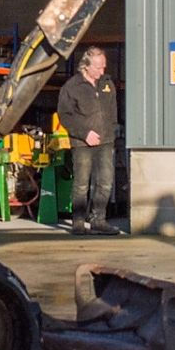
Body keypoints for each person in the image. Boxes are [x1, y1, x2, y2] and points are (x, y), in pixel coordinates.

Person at [56, 46, 120, 235]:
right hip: (82, 142)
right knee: (82, 182)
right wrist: (84, 133)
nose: (102, 71)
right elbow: (64, 115)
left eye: (104, 67)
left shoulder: (107, 83)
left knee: (106, 181)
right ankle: (78, 222)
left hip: (106, 140)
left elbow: (113, 109)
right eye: (98, 67)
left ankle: (98, 219)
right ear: (86, 66)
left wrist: (112, 129)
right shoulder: (71, 87)